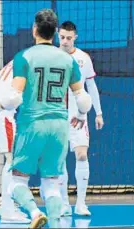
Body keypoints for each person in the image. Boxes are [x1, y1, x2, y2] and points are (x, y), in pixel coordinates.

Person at [0, 9, 92, 228]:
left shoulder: (24, 57)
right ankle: (54, 224)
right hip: (60, 127)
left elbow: (15, 97)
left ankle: (34, 213)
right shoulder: (69, 59)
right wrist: (82, 116)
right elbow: (83, 99)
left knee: (16, 182)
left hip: (32, 124)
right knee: (52, 186)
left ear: (34, 29)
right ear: (55, 32)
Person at [56, 20, 104, 216]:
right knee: (59, 161)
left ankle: (81, 204)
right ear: (58, 36)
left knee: (82, 155)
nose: (65, 41)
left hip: (78, 116)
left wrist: (98, 113)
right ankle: (64, 205)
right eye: (62, 37)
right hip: (57, 117)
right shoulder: (52, 57)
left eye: (69, 38)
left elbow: (91, 87)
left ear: (75, 37)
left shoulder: (84, 58)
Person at [0, 60, 31, 224]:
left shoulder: (17, 61)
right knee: (12, 162)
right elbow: (15, 98)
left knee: (13, 160)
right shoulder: (28, 64)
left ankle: (7, 205)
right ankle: (8, 210)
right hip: (2, 114)